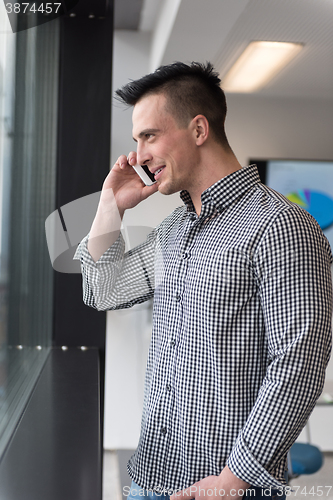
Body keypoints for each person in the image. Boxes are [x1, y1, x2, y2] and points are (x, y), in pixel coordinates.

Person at [74, 62, 333, 499]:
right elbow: (103, 289)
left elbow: (299, 362)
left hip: (223, 485)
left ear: (198, 130)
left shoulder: (280, 225)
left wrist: (236, 478)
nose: (137, 156)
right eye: (137, 140)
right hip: (151, 475)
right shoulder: (175, 229)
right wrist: (110, 207)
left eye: (149, 136)